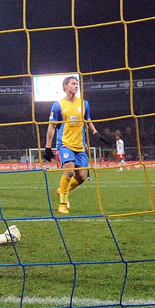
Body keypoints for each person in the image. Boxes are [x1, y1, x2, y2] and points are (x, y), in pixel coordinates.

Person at [42, 76, 109, 214]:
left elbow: (88, 119)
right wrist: (48, 147)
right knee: (69, 171)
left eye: (77, 84)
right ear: (65, 86)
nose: (76, 86)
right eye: (73, 83)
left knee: (82, 176)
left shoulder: (84, 104)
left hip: (80, 146)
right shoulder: (58, 105)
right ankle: (62, 204)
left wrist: (95, 132)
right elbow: (52, 127)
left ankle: (62, 190)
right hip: (65, 144)